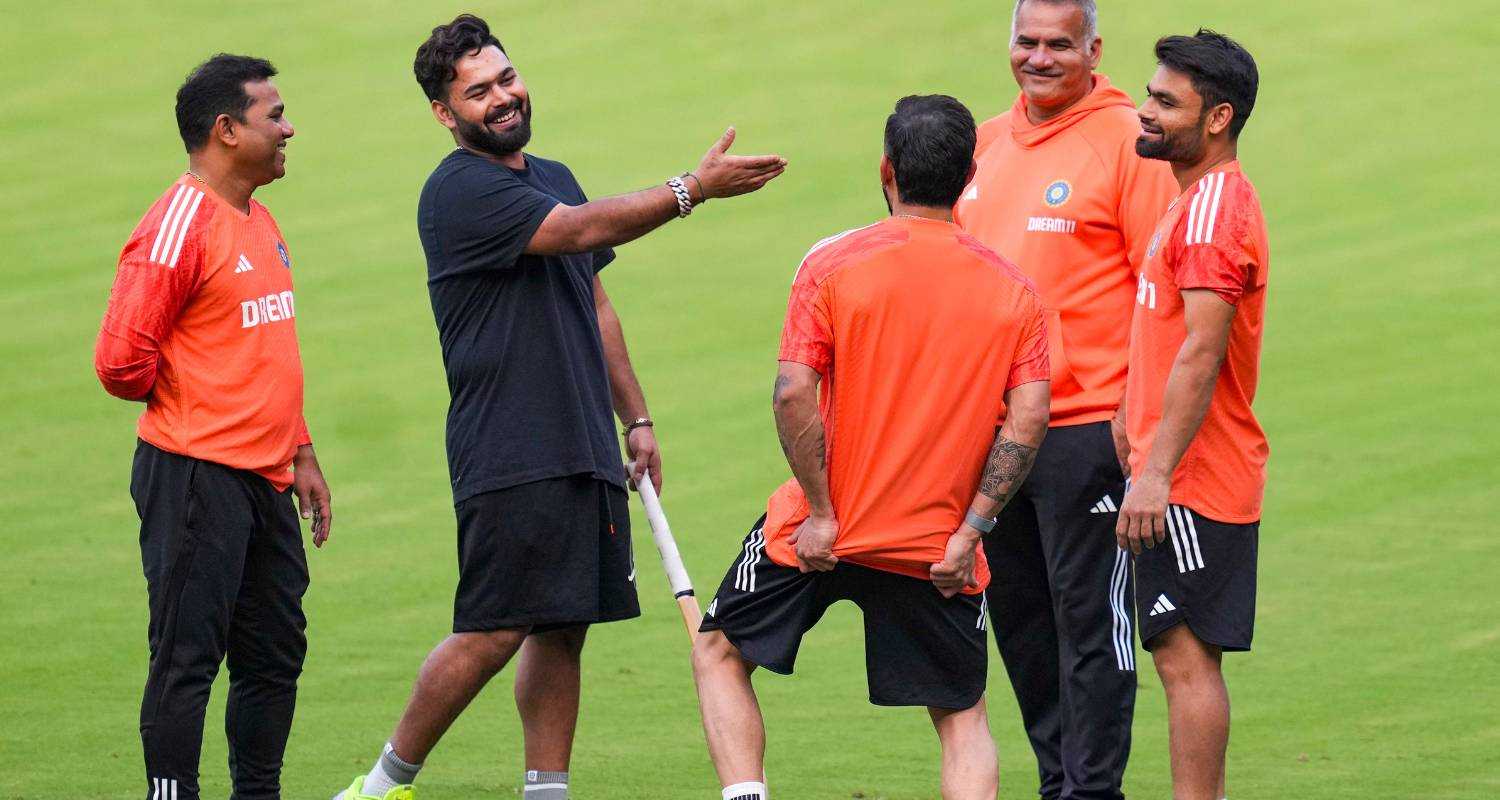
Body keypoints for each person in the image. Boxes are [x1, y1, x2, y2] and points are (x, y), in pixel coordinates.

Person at [332, 14, 786, 800]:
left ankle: (546, 790)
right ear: (445, 114)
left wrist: (635, 419)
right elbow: (577, 231)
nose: (502, 98)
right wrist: (692, 190)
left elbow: (596, 301)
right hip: (510, 445)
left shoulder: (552, 173)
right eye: (478, 92)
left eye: (506, 79)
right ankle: (381, 786)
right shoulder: (459, 191)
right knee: (494, 628)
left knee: (561, 622)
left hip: (579, 438)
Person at [691, 95, 1052, 800]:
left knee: (719, 651)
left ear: (887, 169)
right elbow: (1030, 418)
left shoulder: (830, 265)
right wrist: (973, 531)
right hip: (935, 547)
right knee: (961, 716)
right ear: (970, 174)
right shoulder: (1016, 293)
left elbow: (792, 392)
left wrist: (823, 513)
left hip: (820, 531)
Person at [952, 2, 1177, 797]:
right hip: (994, 432)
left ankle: (1092, 790)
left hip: (1088, 430)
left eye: (1058, 44)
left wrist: (1136, 421)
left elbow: (1164, 289)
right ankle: (1059, 781)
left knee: (1091, 624)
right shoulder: (981, 144)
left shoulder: (1129, 142)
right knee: (1020, 621)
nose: (1040, 58)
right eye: (1026, 42)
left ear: (1093, 50)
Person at [94, 54, 332, 800]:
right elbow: (118, 361)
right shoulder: (177, 225)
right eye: (274, 115)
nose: (289, 127)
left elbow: (262, 351)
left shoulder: (259, 219)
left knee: (273, 657)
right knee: (187, 656)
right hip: (196, 474)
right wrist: (203, 406)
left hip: (265, 477)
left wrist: (301, 450)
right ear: (226, 131)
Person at [1119, 29, 1268, 800]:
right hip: (1181, 470)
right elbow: (1166, 335)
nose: (1145, 111)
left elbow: (1203, 354)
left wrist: (1154, 474)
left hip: (1194, 479)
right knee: (1176, 651)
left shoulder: (1212, 214)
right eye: (1149, 93)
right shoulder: (1194, 202)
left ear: (1217, 118)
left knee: (1184, 656)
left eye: (1164, 102)